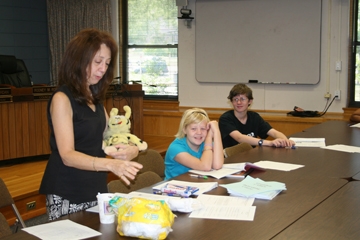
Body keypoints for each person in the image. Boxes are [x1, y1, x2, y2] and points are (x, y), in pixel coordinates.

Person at [39, 28, 142, 220]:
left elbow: (102, 143)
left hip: (94, 186)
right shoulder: (62, 98)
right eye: (98, 62)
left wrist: (130, 150)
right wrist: (111, 165)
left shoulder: (94, 98)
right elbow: (67, 155)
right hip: (67, 189)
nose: (103, 69)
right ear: (79, 59)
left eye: (107, 63)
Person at [219, 83, 295, 149]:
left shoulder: (254, 117)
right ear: (231, 101)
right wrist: (269, 143)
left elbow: (274, 133)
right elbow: (239, 138)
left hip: (250, 156)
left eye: (242, 99)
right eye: (235, 99)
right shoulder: (226, 119)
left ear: (250, 101)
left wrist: (285, 141)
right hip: (231, 158)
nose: (239, 102)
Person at [164, 108, 224, 180]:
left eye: (203, 128)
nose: (199, 133)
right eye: (193, 128)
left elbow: (217, 165)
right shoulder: (175, 148)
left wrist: (216, 131)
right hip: (173, 188)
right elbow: (205, 166)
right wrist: (208, 138)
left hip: (195, 184)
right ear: (184, 130)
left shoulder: (203, 143)